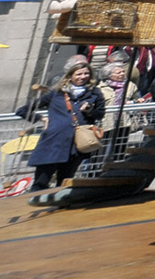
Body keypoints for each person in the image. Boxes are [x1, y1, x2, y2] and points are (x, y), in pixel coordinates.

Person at [26, 55, 104, 190]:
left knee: (65, 183)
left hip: (75, 145)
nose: (83, 77)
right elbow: (24, 110)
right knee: (40, 183)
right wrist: (42, 119)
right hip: (53, 142)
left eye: (86, 74)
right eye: (78, 74)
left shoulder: (95, 93)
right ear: (70, 76)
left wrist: (89, 111)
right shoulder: (57, 93)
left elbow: (100, 114)